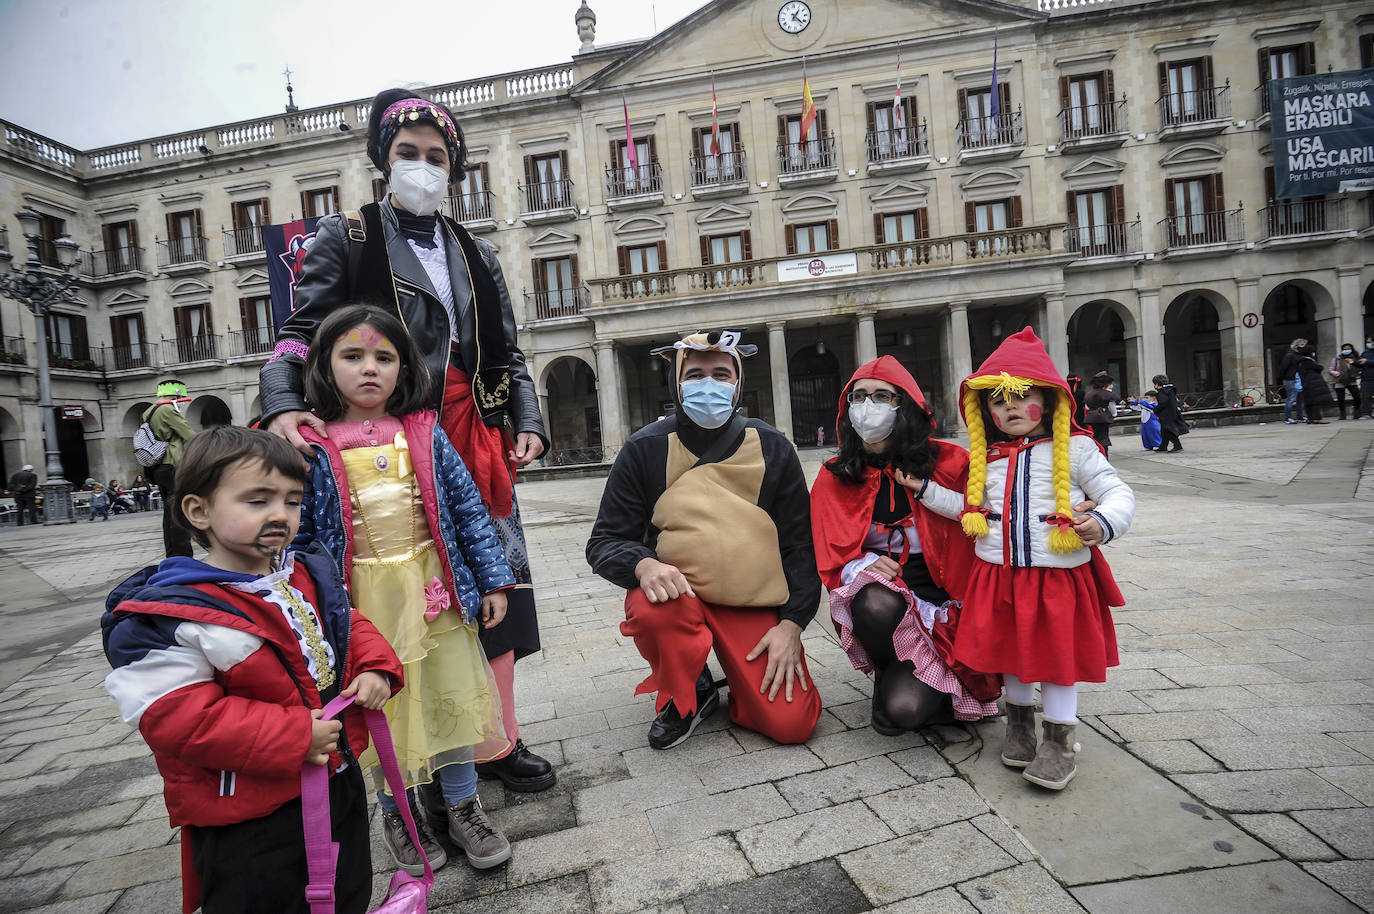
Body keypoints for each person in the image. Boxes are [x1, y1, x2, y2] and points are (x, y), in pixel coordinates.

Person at [259, 89, 554, 794]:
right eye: (408, 155)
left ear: (454, 168)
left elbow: (507, 353)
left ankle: (496, 741)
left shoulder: (475, 251)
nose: (424, 167)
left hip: (473, 437)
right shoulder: (348, 238)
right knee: (407, 590)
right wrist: (279, 408)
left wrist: (529, 421)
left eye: (437, 157)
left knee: (497, 585)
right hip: (387, 442)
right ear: (382, 163)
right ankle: (409, 749)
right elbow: (299, 337)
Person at [102, 426, 404, 914]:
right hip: (250, 810)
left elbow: (346, 624)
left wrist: (374, 668)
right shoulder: (170, 616)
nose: (280, 515)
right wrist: (292, 737)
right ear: (199, 511)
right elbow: (176, 717)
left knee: (348, 888)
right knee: (268, 900)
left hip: (334, 776)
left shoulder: (300, 575)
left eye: (292, 501)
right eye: (257, 501)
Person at [294, 304, 516, 874]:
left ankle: (464, 803)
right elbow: (309, 537)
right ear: (324, 365)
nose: (370, 368)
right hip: (364, 605)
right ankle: (398, 810)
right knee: (382, 707)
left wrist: (492, 578)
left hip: (433, 590)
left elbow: (467, 508)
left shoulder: (423, 430)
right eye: (353, 356)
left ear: (403, 369)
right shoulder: (313, 447)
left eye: (384, 357)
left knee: (451, 697)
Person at [586, 330, 823, 750]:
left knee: (791, 724)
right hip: (678, 599)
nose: (708, 384)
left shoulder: (772, 447)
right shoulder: (644, 449)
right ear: (677, 384)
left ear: (738, 382)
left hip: (752, 600)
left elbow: (799, 545)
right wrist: (645, 565)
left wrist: (792, 624)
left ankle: (739, 676)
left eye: (720, 373)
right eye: (695, 375)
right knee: (650, 606)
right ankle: (691, 688)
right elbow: (605, 541)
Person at [951, 328, 1135, 791]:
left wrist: (1104, 523)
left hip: (1056, 578)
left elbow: (1117, 493)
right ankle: (1018, 726)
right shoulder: (986, 460)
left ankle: (1059, 740)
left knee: (1056, 659)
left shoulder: (1078, 449)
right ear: (984, 411)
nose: (1008, 408)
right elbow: (966, 510)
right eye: (997, 401)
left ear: (1050, 400)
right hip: (999, 575)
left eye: (1020, 396)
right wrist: (923, 490)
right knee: (1010, 654)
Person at [809, 356, 1001, 734]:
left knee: (904, 713)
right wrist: (861, 563)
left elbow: (997, 512)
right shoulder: (836, 474)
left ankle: (932, 679)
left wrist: (1077, 503)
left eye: (883, 396)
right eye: (859, 397)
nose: (868, 407)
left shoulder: (951, 463)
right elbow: (830, 550)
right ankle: (890, 667)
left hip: (948, 599)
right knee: (875, 601)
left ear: (906, 405)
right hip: (884, 599)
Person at [145, 379, 196, 556]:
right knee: (179, 510)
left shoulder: (149, 411)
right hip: (172, 464)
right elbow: (188, 434)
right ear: (175, 395)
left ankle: (172, 552)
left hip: (158, 466)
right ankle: (183, 553)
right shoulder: (168, 410)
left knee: (169, 512)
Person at [1083, 371, 1117, 458]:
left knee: (1096, 436)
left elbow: (1087, 407)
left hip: (1092, 418)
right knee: (1104, 438)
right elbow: (1112, 407)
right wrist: (1113, 415)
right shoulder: (1108, 394)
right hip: (1104, 417)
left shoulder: (1089, 394)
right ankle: (1104, 456)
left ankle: (1096, 455)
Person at [1296, 343, 1332, 424]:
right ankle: (1317, 418)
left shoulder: (1300, 361)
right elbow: (1318, 367)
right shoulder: (1307, 361)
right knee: (1315, 401)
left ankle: (1310, 418)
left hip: (1305, 383)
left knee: (1308, 401)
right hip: (1312, 383)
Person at [1150, 374, 1188, 452]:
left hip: (1166, 415)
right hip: (1172, 412)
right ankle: (1163, 446)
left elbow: (1163, 403)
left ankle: (1178, 446)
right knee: (1164, 431)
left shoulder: (1161, 392)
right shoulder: (1169, 390)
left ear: (1156, 384)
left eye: (1154, 384)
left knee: (1169, 431)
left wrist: (1155, 410)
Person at [1276, 338, 1308, 425]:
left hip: (1300, 379)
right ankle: (1288, 418)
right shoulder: (1290, 355)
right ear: (1296, 345)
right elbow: (1283, 367)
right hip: (1291, 379)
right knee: (1291, 399)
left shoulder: (1301, 355)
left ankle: (1300, 417)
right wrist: (1282, 378)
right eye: (1301, 345)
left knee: (1300, 399)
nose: (1303, 347)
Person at [1329, 344, 1362, 420]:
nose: (1346, 350)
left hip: (1351, 379)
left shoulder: (1355, 358)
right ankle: (1342, 413)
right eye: (1344, 349)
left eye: (1348, 348)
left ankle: (1357, 412)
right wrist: (1338, 374)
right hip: (1339, 380)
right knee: (1340, 398)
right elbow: (1330, 370)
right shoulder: (1337, 359)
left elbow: (1359, 367)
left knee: (1357, 395)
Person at [1359, 336, 1374, 420]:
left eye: (1371, 342)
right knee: (1365, 397)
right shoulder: (1365, 353)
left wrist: (1367, 361)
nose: (1369, 344)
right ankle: (1366, 413)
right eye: (1368, 342)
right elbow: (1361, 363)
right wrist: (1353, 362)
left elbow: (1366, 362)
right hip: (1366, 378)